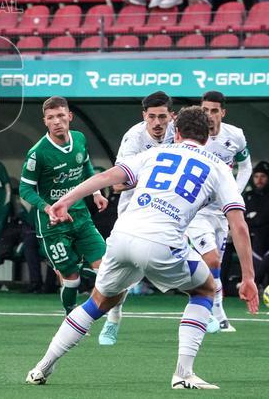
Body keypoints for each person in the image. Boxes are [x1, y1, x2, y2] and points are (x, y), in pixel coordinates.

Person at [26, 106, 257, 390]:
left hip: (122, 236)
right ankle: (183, 374)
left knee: (99, 300)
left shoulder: (155, 153)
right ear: (208, 136)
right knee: (205, 290)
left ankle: (42, 367)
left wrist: (66, 200)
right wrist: (248, 278)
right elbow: (239, 225)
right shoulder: (220, 167)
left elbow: (108, 176)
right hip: (161, 241)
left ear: (178, 133)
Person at [98, 91, 175, 346]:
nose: (157, 123)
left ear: (171, 116)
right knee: (122, 269)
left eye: (162, 117)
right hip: (134, 211)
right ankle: (114, 316)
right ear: (144, 116)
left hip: (169, 212)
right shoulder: (133, 138)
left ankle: (210, 309)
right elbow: (118, 183)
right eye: (151, 117)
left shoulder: (179, 133)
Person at [20, 96, 108, 317]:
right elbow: (25, 190)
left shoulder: (79, 139)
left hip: (81, 216)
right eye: (51, 117)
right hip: (53, 225)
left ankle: (104, 311)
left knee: (105, 269)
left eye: (60, 115)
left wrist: (96, 192)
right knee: (71, 279)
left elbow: (85, 165)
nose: (57, 121)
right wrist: (47, 207)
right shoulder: (37, 153)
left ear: (70, 116)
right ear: (45, 122)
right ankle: (70, 314)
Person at [184, 90, 252, 332]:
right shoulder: (191, 138)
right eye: (205, 110)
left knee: (216, 265)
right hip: (196, 212)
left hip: (220, 212)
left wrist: (232, 195)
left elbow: (245, 167)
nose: (209, 116)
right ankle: (218, 314)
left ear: (223, 112)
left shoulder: (236, 136)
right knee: (210, 259)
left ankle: (210, 309)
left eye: (214, 111)